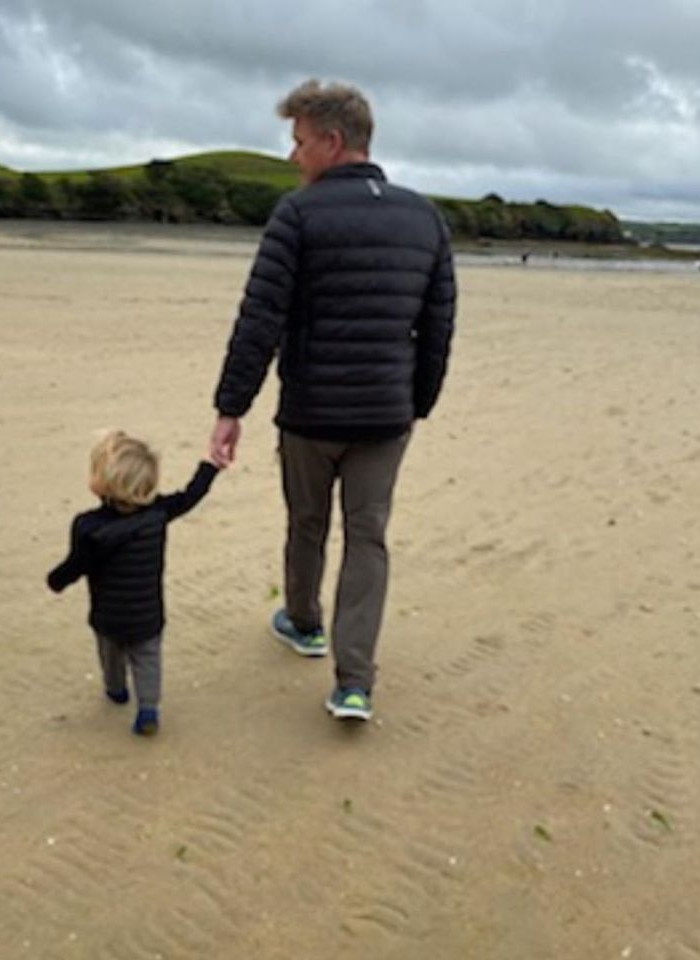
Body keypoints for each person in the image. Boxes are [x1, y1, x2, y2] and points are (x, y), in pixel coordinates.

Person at [209, 79, 456, 722]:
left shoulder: (299, 215)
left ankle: (304, 621)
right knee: (367, 537)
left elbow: (260, 318)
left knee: (308, 522)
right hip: (385, 414)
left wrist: (230, 408)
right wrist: (415, 403)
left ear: (332, 141)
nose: (293, 157)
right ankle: (354, 682)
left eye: (298, 142)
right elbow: (438, 327)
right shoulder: (423, 217)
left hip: (313, 413)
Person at [47, 430, 220, 735]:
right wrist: (210, 465)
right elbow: (190, 496)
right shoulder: (158, 513)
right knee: (147, 660)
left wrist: (56, 581)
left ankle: (116, 689)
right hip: (147, 614)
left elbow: (77, 565)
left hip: (107, 615)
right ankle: (148, 709)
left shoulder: (88, 526)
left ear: (102, 482)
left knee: (110, 654)